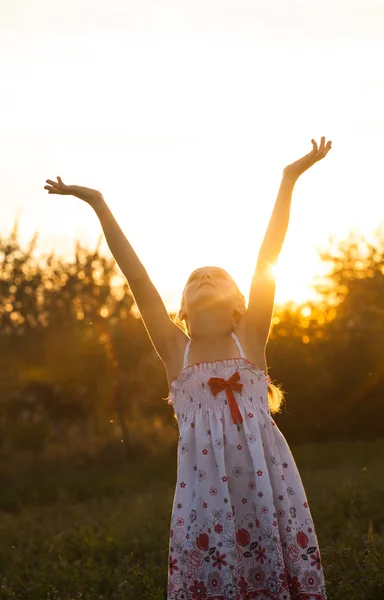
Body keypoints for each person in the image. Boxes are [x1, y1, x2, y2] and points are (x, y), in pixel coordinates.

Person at [45, 136, 332, 600]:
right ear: (182, 308)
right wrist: (98, 204)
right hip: (205, 491)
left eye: (215, 276)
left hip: (267, 483)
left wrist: (288, 178)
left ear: (239, 303)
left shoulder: (251, 336)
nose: (204, 278)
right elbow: (136, 277)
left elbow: (267, 256)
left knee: (272, 565)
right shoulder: (173, 348)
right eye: (194, 279)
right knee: (215, 571)